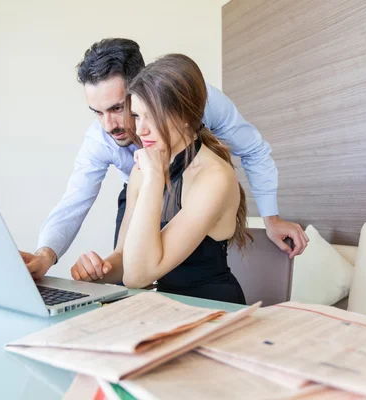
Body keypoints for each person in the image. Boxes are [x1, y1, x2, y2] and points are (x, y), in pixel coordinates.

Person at [20, 38, 308, 280]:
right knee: (129, 279)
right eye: (97, 112)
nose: (109, 125)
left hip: (191, 191)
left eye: (119, 108)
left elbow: (253, 149)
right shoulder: (107, 145)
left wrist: (271, 218)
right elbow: (75, 201)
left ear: (146, 90)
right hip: (143, 190)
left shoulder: (199, 105)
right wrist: (48, 256)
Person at [71, 53, 247, 303]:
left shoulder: (214, 178)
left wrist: (154, 179)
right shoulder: (144, 168)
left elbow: (137, 277)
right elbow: (125, 259)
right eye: (137, 116)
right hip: (164, 308)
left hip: (213, 309)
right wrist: (99, 272)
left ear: (186, 115)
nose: (140, 130)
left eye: (152, 116)